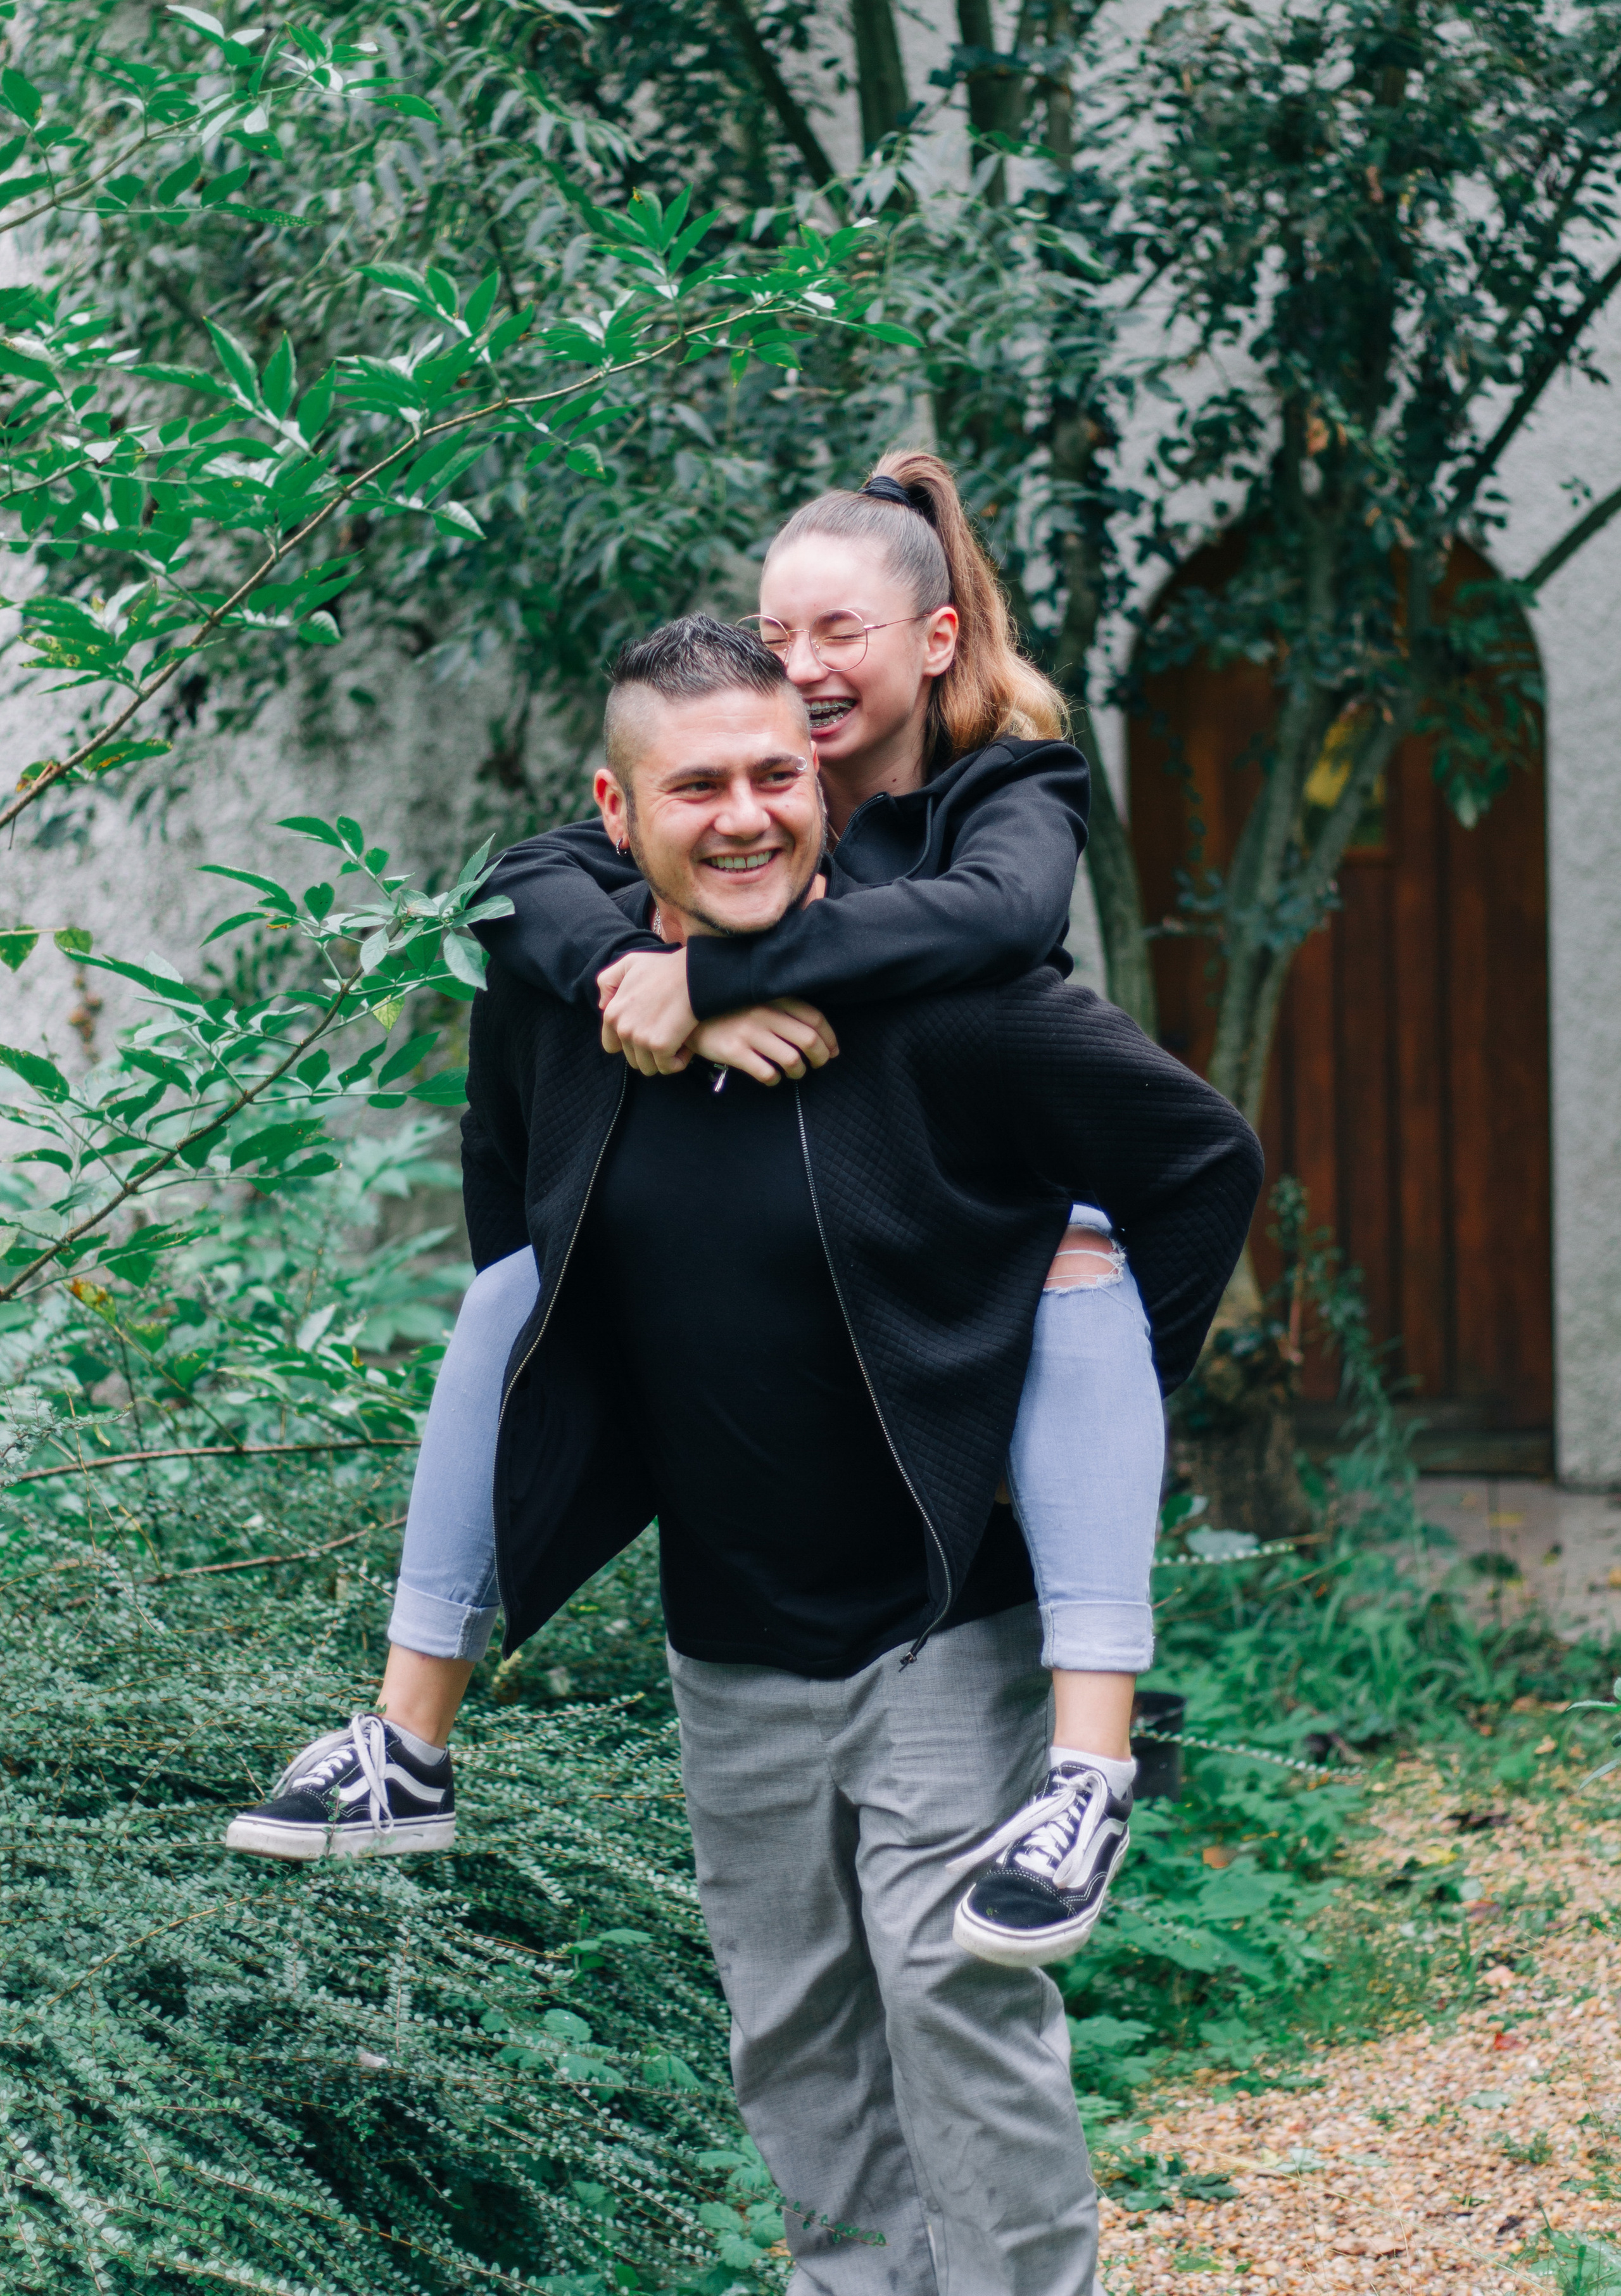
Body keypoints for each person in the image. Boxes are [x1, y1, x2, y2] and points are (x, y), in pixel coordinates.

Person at [225, 457, 1177, 1963]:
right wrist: (629, 976)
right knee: (517, 1293)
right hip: (764, 1447)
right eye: (774, 632)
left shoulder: (1003, 794)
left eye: (836, 634)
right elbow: (532, 878)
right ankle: (405, 1741)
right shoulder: (715, 803)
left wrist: (719, 979)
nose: (798, 671)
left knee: (1076, 1265)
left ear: (932, 642)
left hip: (979, 1253)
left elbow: (1001, 926)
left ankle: (1088, 1764)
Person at [404, 621, 1261, 2291]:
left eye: (777, 776)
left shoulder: (951, 1002)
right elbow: (512, 1216)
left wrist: (1073, 1399)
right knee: (792, 2041)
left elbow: (1199, 1162)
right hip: (728, 1634)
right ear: (616, 808)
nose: (745, 815)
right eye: (700, 784)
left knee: (957, 2008)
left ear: (826, 782)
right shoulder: (570, 1002)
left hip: (944, 1610)